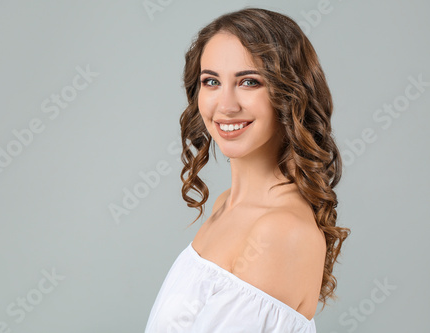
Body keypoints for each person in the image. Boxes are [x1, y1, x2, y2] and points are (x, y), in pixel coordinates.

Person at [145, 7, 350, 332]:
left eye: (249, 82)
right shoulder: (225, 204)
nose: (225, 105)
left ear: (290, 94)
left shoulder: (279, 232)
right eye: (211, 81)